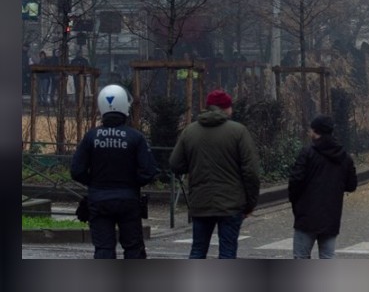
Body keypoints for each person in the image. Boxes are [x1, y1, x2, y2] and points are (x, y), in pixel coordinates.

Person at [169, 89, 261, 259]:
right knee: (227, 250)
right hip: (231, 204)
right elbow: (251, 171)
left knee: (198, 249)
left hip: (201, 201)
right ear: (225, 108)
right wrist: (250, 203)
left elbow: (175, 164)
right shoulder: (238, 131)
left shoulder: (189, 131)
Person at [70, 84, 159, 259]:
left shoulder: (91, 136)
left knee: (103, 249)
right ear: (125, 106)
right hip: (128, 200)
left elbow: (76, 170)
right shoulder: (135, 137)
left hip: (98, 200)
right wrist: (132, 182)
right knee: (133, 249)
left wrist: (94, 182)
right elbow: (149, 171)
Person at [288, 114, 358, 259]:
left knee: (301, 257)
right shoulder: (344, 156)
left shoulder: (308, 153)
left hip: (306, 217)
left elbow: (295, 181)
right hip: (331, 217)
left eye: (311, 130)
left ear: (316, 132)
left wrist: (297, 203)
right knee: (327, 257)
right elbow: (351, 185)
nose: (310, 133)